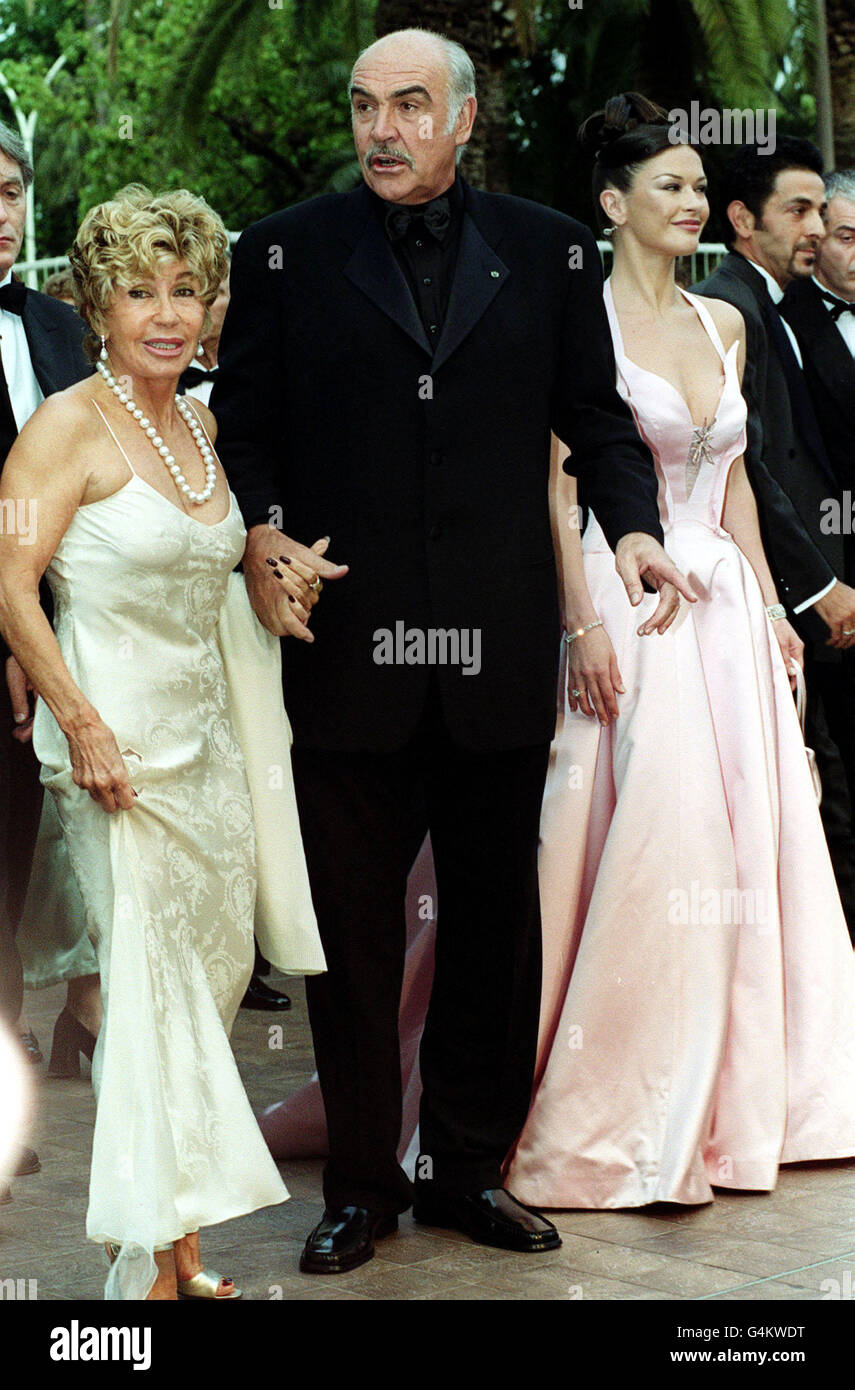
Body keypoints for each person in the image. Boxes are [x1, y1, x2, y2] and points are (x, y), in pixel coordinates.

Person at [212, 29, 696, 1275]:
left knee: (493, 927)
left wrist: (634, 531)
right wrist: (261, 534)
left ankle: (470, 1168)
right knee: (356, 934)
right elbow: (244, 428)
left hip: (497, 645)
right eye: (366, 104)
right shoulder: (283, 250)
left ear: (466, 118)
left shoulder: (548, 249)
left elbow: (594, 416)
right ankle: (363, 1183)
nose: (383, 128)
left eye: (412, 105)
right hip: (345, 644)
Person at [505, 95, 855, 1209]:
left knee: (761, 845)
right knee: (664, 846)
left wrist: (768, 610)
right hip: (630, 599)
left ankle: (771, 1096)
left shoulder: (726, 323)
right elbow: (559, 488)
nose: (695, 201)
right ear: (612, 204)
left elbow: (741, 476)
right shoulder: (580, 323)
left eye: (701, 186)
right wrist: (583, 622)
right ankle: (633, 1101)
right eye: (671, 185)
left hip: (727, 619)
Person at [0, 184, 324, 1299]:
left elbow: (210, 559)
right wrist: (78, 720)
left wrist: (269, 577)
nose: (167, 311)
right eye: (139, 289)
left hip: (214, 750)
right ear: (96, 304)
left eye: (186, 288)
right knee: (145, 1002)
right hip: (116, 760)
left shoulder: (200, 421)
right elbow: (12, 585)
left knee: (210, 982)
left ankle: (176, 1248)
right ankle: (147, 1261)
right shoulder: (63, 425)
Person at [695, 142, 855, 942]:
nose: (814, 228)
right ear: (740, 220)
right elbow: (751, 464)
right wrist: (814, 585)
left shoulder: (768, 305)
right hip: (764, 590)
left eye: (818, 213)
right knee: (812, 771)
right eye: (798, 211)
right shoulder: (732, 308)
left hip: (794, 580)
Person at [0, 121, 90, 1188]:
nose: (4, 212)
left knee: (14, 891)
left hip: (56, 661)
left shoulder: (59, 331)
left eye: (15, 192)